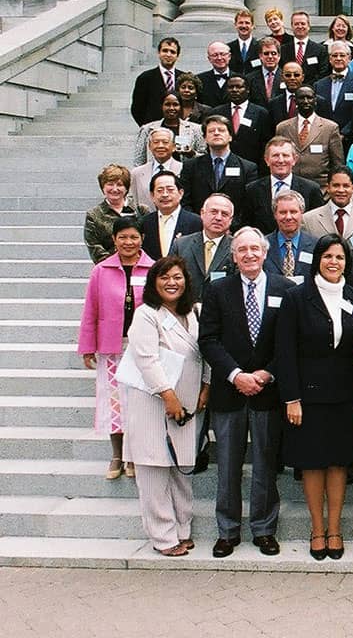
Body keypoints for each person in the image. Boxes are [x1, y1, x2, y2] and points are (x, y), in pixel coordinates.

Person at [198, 226, 291, 558]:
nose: (249, 254)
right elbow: (208, 339)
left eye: (255, 249)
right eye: (242, 250)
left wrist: (267, 374)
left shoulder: (285, 288)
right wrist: (236, 375)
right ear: (233, 256)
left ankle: (264, 529)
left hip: (268, 391)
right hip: (230, 391)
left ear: (265, 253)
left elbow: (290, 342)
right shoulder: (217, 289)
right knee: (228, 465)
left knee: (265, 463)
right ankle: (227, 531)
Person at [276, 233, 353, 561]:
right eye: (327, 256)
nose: (333, 262)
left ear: (347, 263)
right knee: (313, 463)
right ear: (318, 260)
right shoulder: (297, 297)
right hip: (308, 398)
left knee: (338, 462)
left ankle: (336, 528)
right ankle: (316, 529)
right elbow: (284, 351)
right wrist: (291, 398)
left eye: (339, 258)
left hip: (345, 396)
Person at [120, 255, 208, 556]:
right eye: (165, 278)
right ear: (154, 283)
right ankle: (163, 537)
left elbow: (205, 352)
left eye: (178, 277)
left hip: (187, 406)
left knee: (182, 471)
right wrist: (168, 396)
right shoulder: (147, 314)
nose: (172, 283)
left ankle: (183, 529)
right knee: (155, 473)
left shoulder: (194, 313)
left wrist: (206, 387)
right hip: (153, 404)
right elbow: (146, 359)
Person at [79, 217, 155, 479]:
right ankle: (117, 455)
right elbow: (91, 310)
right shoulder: (101, 270)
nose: (128, 242)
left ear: (142, 239)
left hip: (143, 347)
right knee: (115, 403)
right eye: (122, 237)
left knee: (139, 402)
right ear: (113, 240)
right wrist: (88, 347)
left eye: (133, 237)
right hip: (112, 346)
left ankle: (134, 456)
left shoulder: (153, 268)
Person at [169, 194, 235, 301]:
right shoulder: (181, 245)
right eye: (213, 212)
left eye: (224, 214)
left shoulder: (237, 247)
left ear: (231, 220)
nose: (218, 218)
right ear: (202, 213)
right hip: (186, 310)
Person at [85, 164, 147, 264]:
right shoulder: (94, 215)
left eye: (119, 185)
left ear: (126, 188)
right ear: (103, 187)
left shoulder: (141, 210)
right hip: (108, 268)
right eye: (110, 184)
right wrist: (115, 264)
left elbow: (148, 240)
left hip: (139, 265)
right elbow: (94, 246)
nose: (114, 189)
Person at [134, 94, 207, 166]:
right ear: (161, 106)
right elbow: (139, 160)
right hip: (154, 175)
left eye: (175, 105)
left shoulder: (195, 129)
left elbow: (205, 158)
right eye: (167, 104)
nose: (171, 108)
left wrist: (192, 154)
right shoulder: (147, 129)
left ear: (181, 107)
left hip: (185, 174)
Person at [131, 37, 182, 126]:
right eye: (165, 51)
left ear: (177, 56)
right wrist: (148, 127)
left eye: (172, 52)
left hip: (179, 129)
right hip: (154, 130)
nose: (168, 54)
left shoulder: (183, 78)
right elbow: (137, 108)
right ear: (159, 53)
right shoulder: (145, 78)